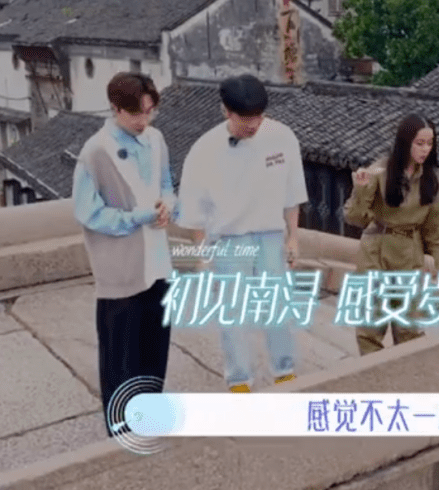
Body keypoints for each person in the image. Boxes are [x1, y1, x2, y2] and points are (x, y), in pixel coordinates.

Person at [176, 74, 309, 393]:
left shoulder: (282, 137)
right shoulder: (205, 149)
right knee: (233, 314)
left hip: (270, 234)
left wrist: (293, 237)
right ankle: (239, 380)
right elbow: (194, 208)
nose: (254, 125)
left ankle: (284, 371)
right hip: (228, 239)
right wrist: (203, 256)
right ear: (226, 111)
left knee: (277, 307)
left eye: (259, 117)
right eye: (246, 118)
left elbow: (292, 194)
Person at [72, 72, 174, 436]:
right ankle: (121, 430)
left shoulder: (156, 139)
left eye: (149, 111)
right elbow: (88, 213)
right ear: (115, 109)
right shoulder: (95, 151)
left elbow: (166, 183)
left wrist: (168, 205)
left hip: (158, 262)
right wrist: (138, 217)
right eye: (135, 113)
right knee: (121, 354)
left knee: (154, 348)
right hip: (120, 268)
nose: (144, 120)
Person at [343, 113, 439, 356]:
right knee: (370, 324)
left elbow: (434, 231)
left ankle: (407, 375)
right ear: (405, 142)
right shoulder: (380, 171)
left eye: (429, 143)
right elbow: (354, 217)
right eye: (419, 143)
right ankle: (374, 372)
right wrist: (361, 190)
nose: (425, 149)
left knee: (409, 325)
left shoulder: (433, 178)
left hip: (410, 252)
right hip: (376, 249)